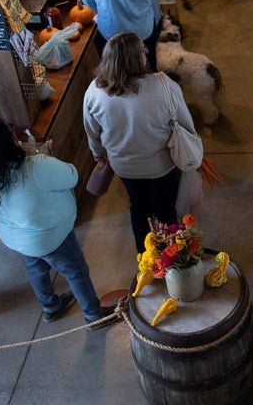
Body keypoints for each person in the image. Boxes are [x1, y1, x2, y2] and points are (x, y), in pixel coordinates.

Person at [0, 118, 114, 327]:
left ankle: (50, 307)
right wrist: (42, 155)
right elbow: (72, 176)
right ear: (9, 142)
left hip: (19, 238)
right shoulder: (36, 166)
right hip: (51, 235)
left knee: (36, 270)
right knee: (76, 271)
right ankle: (94, 315)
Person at [83, 31, 199, 252]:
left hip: (124, 167)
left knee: (138, 207)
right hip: (162, 165)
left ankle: (145, 256)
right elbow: (186, 124)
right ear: (139, 58)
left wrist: (98, 151)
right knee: (165, 209)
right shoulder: (164, 86)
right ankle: (171, 258)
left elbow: (92, 132)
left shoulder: (94, 91)